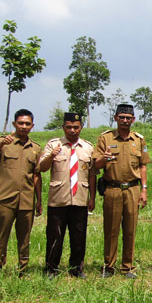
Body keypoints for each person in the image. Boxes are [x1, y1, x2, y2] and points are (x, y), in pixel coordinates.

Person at [93, 104, 150, 279]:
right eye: (122, 117)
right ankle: (109, 267)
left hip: (132, 188)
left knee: (130, 229)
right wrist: (105, 157)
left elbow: (143, 166)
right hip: (112, 189)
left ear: (133, 119)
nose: (125, 120)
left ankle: (128, 267)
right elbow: (96, 164)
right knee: (111, 229)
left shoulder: (139, 140)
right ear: (116, 118)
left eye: (128, 117)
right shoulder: (106, 138)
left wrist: (144, 190)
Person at [0, 109, 42, 279]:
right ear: (14, 124)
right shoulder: (3, 142)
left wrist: (38, 200)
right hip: (5, 199)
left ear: (32, 126)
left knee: (24, 238)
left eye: (27, 124)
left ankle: (22, 271)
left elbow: (37, 175)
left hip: (26, 200)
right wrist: (1, 144)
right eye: (21, 123)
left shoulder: (36, 148)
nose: (24, 126)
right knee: (1, 236)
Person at [39, 112, 96, 278]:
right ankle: (51, 268)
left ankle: (76, 268)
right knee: (54, 235)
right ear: (63, 127)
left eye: (76, 127)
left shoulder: (87, 147)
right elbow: (42, 167)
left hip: (80, 198)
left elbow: (92, 174)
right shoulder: (53, 145)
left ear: (81, 128)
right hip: (58, 199)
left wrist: (92, 197)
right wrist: (51, 155)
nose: (72, 130)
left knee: (79, 235)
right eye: (69, 127)